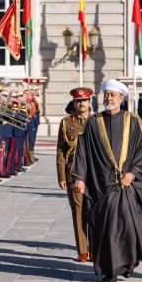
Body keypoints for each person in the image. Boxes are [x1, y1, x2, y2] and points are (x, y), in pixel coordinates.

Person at [71, 79, 142, 282]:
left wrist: (132, 173)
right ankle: (110, 271)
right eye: (106, 95)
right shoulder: (93, 122)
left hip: (128, 185)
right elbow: (82, 151)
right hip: (101, 184)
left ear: (122, 98)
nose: (109, 98)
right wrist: (79, 177)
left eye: (113, 95)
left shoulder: (133, 120)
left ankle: (129, 262)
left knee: (131, 226)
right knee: (106, 229)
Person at [55, 87, 92, 262]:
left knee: (95, 213)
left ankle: (96, 249)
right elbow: (61, 151)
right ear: (74, 104)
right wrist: (62, 176)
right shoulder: (67, 123)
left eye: (84, 101)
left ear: (89, 102)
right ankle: (83, 251)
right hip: (73, 171)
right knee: (78, 213)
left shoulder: (97, 121)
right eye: (78, 101)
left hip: (95, 174)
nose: (81, 104)